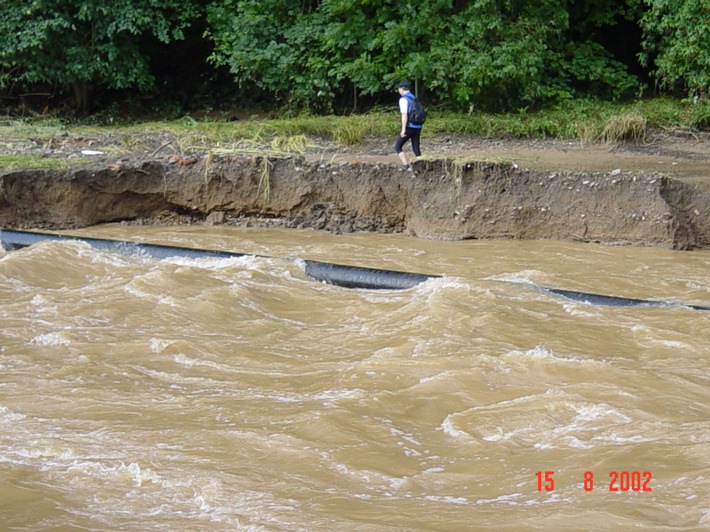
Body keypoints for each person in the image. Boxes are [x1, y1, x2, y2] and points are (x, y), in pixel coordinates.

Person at [394, 81, 422, 170]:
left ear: (402, 88)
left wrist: (403, 129)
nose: (398, 90)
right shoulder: (414, 97)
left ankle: (406, 166)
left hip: (409, 126)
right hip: (418, 126)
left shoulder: (403, 99)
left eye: (398, 89)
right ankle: (422, 166)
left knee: (398, 146)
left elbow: (404, 114)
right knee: (416, 149)